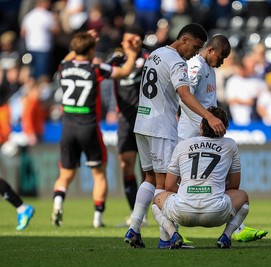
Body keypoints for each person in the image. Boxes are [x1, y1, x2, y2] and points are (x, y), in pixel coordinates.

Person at [124, 23, 226, 248]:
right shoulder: (177, 62)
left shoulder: (156, 54)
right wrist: (209, 117)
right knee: (167, 185)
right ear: (184, 40)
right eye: (195, 47)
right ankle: (167, 237)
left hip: (141, 122)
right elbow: (184, 95)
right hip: (161, 126)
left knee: (150, 179)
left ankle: (134, 228)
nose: (195, 53)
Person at [178, 34, 268, 242]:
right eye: (221, 56)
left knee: (223, 173)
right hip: (192, 132)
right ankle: (172, 232)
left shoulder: (209, 68)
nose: (222, 61)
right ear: (210, 50)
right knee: (182, 180)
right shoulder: (196, 66)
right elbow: (184, 97)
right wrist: (205, 120)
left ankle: (238, 228)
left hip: (207, 129)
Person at [51, 30, 141, 228]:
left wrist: (83, 39)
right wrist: (132, 52)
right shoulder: (96, 69)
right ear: (92, 50)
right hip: (89, 127)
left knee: (65, 175)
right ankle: (97, 219)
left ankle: (58, 202)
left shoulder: (63, 67)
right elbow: (125, 71)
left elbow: (71, 56)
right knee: (99, 174)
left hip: (67, 128)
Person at [151, 106, 250, 249]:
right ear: (225, 127)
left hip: (182, 212)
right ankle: (226, 237)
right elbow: (235, 185)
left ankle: (173, 235)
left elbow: (169, 185)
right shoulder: (230, 144)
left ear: (201, 126)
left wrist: (191, 192)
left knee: (156, 200)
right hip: (216, 213)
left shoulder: (183, 145)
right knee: (243, 196)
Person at [105, 26, 149, 223]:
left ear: (139, 40)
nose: (127, 44)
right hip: (124, 120)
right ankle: (136, 214)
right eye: (125, 40)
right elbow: (104, 73)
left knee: (147, 169)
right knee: (126, 166)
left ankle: (149, 211)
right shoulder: (116, 60)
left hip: (146, 121)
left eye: (131, 40)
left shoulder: (149, 59)